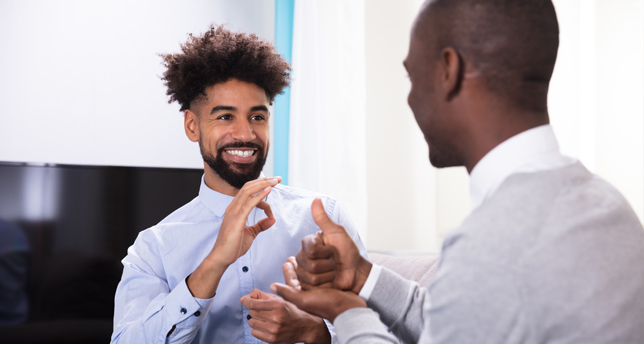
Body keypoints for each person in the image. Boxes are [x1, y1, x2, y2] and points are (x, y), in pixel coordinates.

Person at [271, 0, 644, 343]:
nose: (411, 99)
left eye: (411, 77)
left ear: (449, 70)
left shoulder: (493, 241)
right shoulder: (609, 206)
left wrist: (345, 311)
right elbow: (456, 324)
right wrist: (363, 276)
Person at [110, 24, 367, 344]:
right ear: (192, 125)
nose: (245, 134)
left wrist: (313, 330)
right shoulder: (154, 248)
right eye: (225, 117)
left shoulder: (322, 218)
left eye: (257, 117)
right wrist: (216, 261)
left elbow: (381, 333)